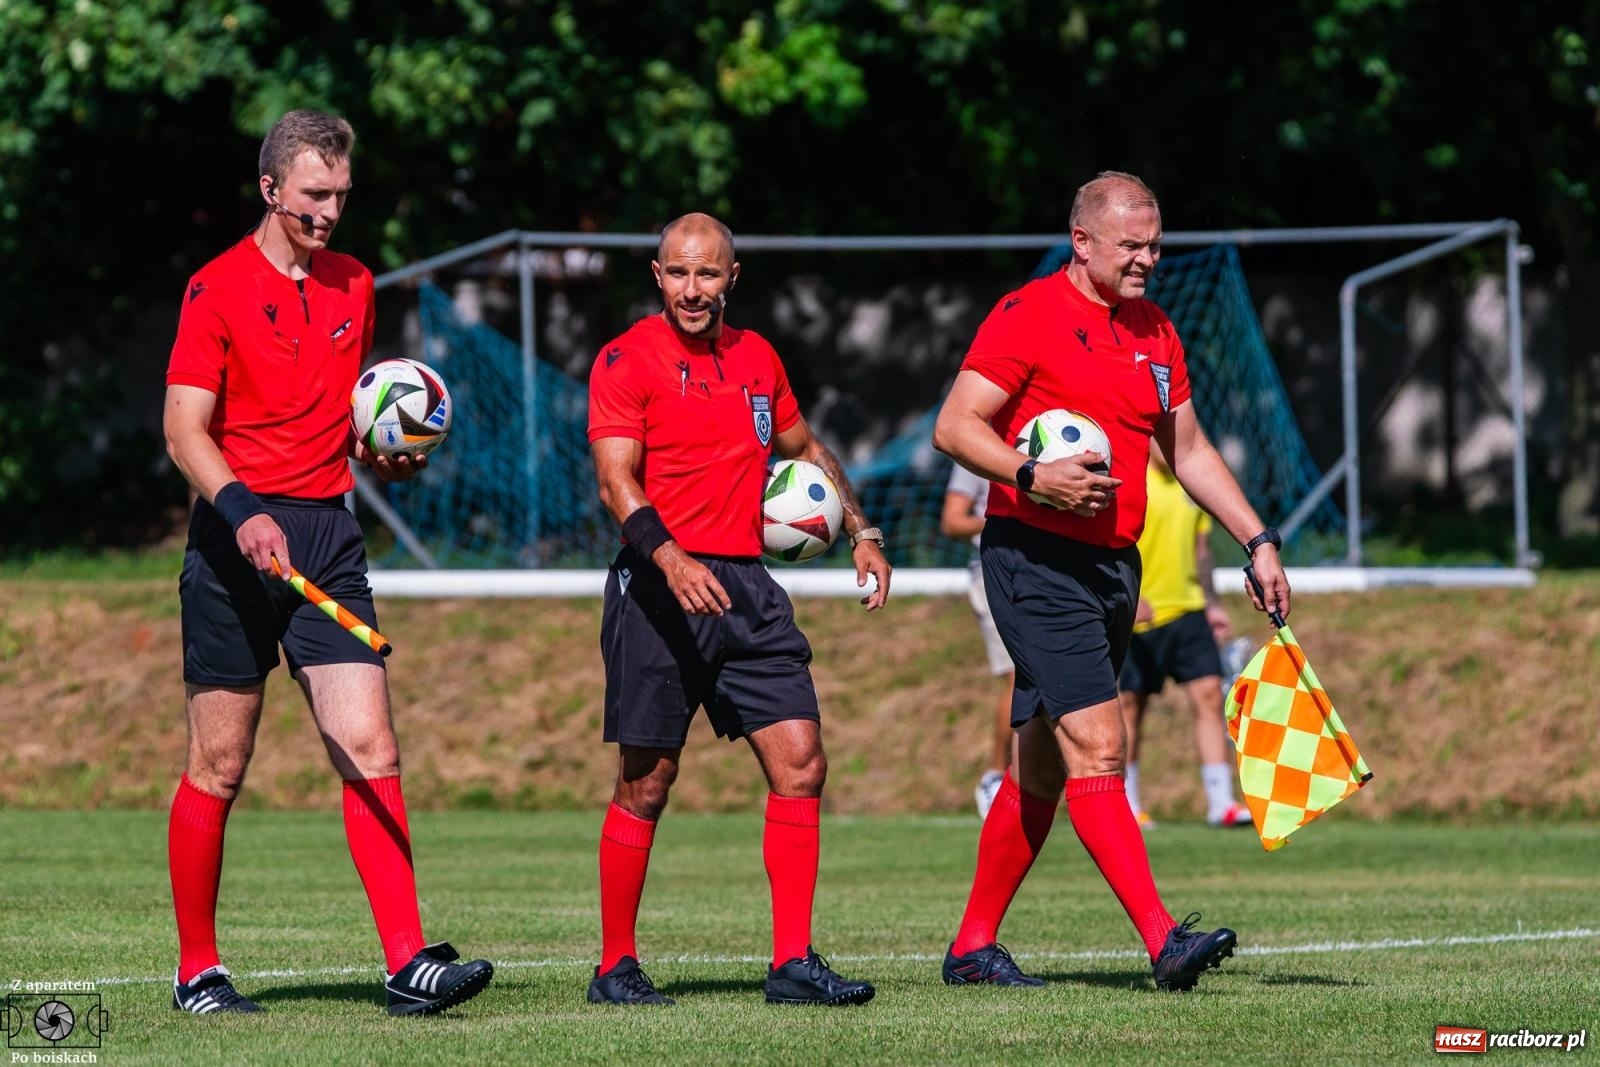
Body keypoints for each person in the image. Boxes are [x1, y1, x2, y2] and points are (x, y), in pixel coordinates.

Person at [162, 109, 493, 1017]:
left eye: (341, 196)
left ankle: (407, 959)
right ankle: (198, 969)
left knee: (372, 744)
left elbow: (335, 423)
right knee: (219, 764)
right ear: (270, 190)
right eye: (314, 195)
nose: (329, 213)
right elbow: (184, 429)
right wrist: (244, 513)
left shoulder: (355, 283)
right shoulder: (215, 288)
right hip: (235, 546)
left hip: (328, 544)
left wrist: (376, 451)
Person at [931, 171, 1290, 992]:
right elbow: (956, 424)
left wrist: (1258, 539)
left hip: (1111, 567)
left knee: (1043, 768)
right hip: (1032, 557)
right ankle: (1163, 940)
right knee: (1100, 742)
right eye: (1132, 246)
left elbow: (1188, 450)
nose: (1149, 260)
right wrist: (1031, 473)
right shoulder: (1027, 315)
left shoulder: (1156, 330)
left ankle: (973, 946)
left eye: (1156, 244)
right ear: (1082, 241)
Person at [585, 212, 891, 1007]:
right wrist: (670, 557)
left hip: (749, 588)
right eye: (679, 274)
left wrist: (862, 529)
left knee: (802, 762)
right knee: (646, 782)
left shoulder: (757, 357)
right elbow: (617, 482)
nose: (694, 289)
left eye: (709, 274)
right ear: (658, 276)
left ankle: (792, 962)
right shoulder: (625, 360)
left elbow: (805, 446)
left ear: (732, 277)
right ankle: (615, 964)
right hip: (657, 586)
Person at [1118, 443, 1253, 830]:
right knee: (1131, 707)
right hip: (1141, 613)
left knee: (1210, 696)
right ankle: (1128, 804)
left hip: (1189, 608)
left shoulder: (1190, 483)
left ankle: (1220, 802)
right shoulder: (1130, 478)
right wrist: (1129, 595)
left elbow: (1202, 549)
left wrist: (1212, 604)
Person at [940, 463, 1016, 819]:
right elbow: (952, 520)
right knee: (1019, 677)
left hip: (1041, 569)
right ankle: (996, 776)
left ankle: (1027, 780)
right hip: (994, 571)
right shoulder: (975, 442)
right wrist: (1008, 522)